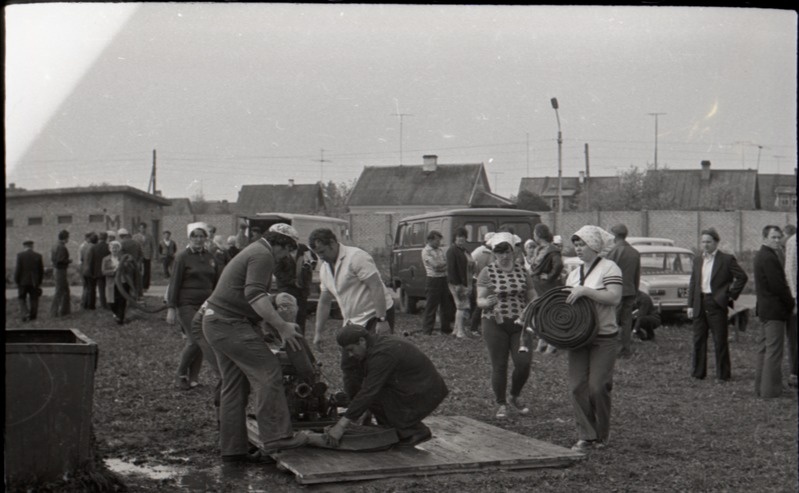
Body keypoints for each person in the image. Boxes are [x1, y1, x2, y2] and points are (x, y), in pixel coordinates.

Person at [202, 223, 308, 463]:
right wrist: (283, 327)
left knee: (234, 385)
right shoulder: (263, 255)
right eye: (288, 250)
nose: (286, 256)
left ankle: (233, 450)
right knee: (269, 371)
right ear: (284, 244)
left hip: (215, 322)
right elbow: (255, 295)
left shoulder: (254, 250)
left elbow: (247, 295)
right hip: (229, 323)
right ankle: (277, 437)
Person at [325, 325, 449, 447]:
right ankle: (394, 428)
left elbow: (369, 391)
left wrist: (341, 426)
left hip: (426, 390)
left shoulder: (383, 354)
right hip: (411, 385)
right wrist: (356, 409)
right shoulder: (371, 346)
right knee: (370, 395)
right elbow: (351, 377)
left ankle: (414, 431)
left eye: (351, 350)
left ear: (362, 341)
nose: (350, 355)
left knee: (374, 394)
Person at [310, 227, 395, 403]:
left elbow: (376, 286)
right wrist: (318, 332)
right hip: (352, 320)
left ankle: (383, 410)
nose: (321, 257)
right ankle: (355, 410)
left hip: (375, 314)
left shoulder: (357, 257)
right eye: (317, 254)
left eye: (323, 251)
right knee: (349, 365)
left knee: (375, 365)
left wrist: (382, 319)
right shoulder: (325, 268)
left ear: (333, 243)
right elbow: (325, 301)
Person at [563, 225, 623, 451]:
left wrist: (586, 291)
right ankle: (587, 435)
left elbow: (615, 297)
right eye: (576, 245)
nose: (578, 249)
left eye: (582, 245)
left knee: (597, 386)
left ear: (595, 246)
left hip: (604, 336)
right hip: (579, 337)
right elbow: (566, 307)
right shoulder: (573, 274)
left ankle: (602, 434)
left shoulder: (610, 267)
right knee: (577, 385)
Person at [475, 232, 535, 419]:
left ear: (513, 250)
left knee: (523, 363)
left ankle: (514, 396)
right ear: (494, 253)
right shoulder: (487, 271)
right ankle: (501, 403)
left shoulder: (522, 271)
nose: (504, 256)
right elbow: (479, 300)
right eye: (499, 252)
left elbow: (533, 295)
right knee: (499, 365)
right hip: (495, 323)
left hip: (520, 323)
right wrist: (487, 302)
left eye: (506, 251)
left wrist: (533, 306)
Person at [687, 227, 748, 382]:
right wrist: (690, 305)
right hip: (699, 302)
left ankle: (723, 374)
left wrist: (729, 296)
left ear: (716, 242)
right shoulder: (697, 260)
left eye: (708, 242)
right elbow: (693, 282)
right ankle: (698, 373)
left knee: (720, 340)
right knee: (698, 339)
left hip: (716, 304)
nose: (705, 245)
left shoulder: (726, 259)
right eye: (703, 242)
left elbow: (742, 277)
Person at [167, 222, 220, 390]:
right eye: (194, 236)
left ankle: (193, 378)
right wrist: (171, 307)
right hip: (186, 304)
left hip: (206, 303)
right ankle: (180, 375)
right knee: (196, 338)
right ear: (189, 238)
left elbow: (216, 281)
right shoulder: (182, 257)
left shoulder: (210, 257)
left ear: (206, 238)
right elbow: (174, 282)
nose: (198, 239)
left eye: (201, 236)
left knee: (200, 340)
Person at [753, 226, 795, 398]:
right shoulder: (769, 257)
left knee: (764, 350)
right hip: (774, 311)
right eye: (773, 237)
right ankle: (771, 391)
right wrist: (791, 302)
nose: (777, 241)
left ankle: (761, 387)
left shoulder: (762, 255)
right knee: (774, 351)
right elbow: (778, 286)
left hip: (765, 310)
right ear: (764, 238)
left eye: (779, 237)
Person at [273, 224, 318, 336]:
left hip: (302, 289)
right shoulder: (280, 252)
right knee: (288, 315)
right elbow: (277, 272)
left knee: (301, 315)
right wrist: (292, 281)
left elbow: (314, 260)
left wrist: (307, 269)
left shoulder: (304, 249)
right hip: (287, 288)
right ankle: (286, 338)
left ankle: (300, 337)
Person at [605, 224, 641, 359]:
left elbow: (606, 273)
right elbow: (637, 275)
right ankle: (625, 349)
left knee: (612, 320)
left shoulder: (613, 252)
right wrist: (635, 291)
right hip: (630, 290)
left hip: (615, 291)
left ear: (614, 235)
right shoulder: (635, 252)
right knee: (627, 321)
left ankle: (611, 349)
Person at [528, 223, 564, 354]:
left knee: (548, 314)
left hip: (547, 286)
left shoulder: (552, 250)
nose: (533, 236)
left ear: (538, 234)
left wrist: (549, 276)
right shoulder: (539, 249)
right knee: (538, 314)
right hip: (538, 285)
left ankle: (552, 344)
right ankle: (542, 341)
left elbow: (558, 265)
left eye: (534, 233)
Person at [421, 230, 454, 335]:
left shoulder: (440, 250)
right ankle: (427, 330)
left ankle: (446, 328)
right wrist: (443, 265)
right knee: (431, 306)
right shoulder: (426, 251)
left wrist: (443, 265)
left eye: (440, 240)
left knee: (446, 305)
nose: (439, 242)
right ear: (430, 240)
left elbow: (446, 263)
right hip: (433, 280)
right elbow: (435, 266)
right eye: (437, 240)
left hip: (443, 279)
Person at [447, 227, 475, 338]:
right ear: (455, 238)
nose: (461, 239)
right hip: (458, 283)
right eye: (459, 237)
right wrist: (457, 284)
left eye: (463, 237)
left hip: (466, 281)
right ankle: (460, 332)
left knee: (460, 306)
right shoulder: (452, 251)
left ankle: (456, 330)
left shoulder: (464, 250)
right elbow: (451, 269)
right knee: (461, 306)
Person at [470, 232, 495, 333]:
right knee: (480, 305)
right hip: (483, 281)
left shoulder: (479, 250)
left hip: (478, 279)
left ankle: (478, 327)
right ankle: (474, 328)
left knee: (482, 304)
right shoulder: (486, 253)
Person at [15, 240, 44, 322]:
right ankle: (33, 316)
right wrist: (39, 282)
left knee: (21, 298)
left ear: (24, 246)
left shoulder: (20, 255)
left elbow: (18, 270)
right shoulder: (38, 256)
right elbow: (41, 271)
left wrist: (16, 280)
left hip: (22, 282)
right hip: (34, 282)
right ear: (32, 246)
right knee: (34, 299)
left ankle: (25, 313)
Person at [102, 241, 129, 325]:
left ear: (119, 249)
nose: (114, 249)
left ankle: (120, 319)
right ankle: (116, 314)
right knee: (111, 302)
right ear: (109, 249)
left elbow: (128, 269)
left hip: (122, 282)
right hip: (111, 283)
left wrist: (124, 266)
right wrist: (113, 271)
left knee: (122, 300)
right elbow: (103, 271)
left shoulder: (122, 258)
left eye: (116, 248)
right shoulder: (105, 259)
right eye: (112, 248)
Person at [784, 230, 798, 387]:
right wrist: (795, 298)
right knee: (795, 338)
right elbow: (789, 271)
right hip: (795, 299)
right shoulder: (793, 241)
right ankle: (795, 373)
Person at [50, 229, 72, 317]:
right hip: (60, 271)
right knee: (59, 291)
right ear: (65, 238)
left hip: (57, 270)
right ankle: (54, 312)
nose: (68, 239)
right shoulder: (61, 247)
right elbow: (60, 260)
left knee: (65, 290)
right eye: (68, 237)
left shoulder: (55, 245)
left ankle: (64, 311)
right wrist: (68, 261)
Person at [88, 231, 111, 309]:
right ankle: (110, 303)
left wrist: (91, 272)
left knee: (101, 289)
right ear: (106, 238)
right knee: (109, 288)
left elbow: (91, 261)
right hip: (108, 271)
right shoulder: (109, 247)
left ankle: (103, 305)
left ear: (99, 238)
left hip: (98, 271)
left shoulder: (94, 248)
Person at [118, 228, 143, 299]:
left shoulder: (121, 243)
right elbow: (141, 255)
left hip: (126, 266)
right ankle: (137, 296)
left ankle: (130, 298)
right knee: (137, 281)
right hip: (136, 265)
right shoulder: (137, 243)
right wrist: (138, 263)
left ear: (121, 236)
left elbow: (120, 256)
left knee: (128, 282)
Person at [133, 222, 156, 292]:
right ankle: (138, 285)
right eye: (141, 228)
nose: (142, 229)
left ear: (146, 228)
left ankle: (145, 286)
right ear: (139, 228)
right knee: (138, 270)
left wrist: (153, 256)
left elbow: (153, 246)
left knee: (147, 271)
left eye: (144, 228)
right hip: (138, 256)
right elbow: (134, 246)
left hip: (147, 255)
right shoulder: (135, 237)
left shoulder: (150, 236)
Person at [80, 232, 99, 310]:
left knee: (86, 288)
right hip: (90, 270)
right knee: (92, 289)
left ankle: (85, 304)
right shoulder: (94, 247)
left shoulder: (84, 246)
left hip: (84, 269)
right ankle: (91, 306)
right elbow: (93, 260)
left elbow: (82, 259)